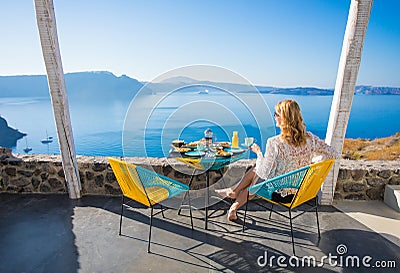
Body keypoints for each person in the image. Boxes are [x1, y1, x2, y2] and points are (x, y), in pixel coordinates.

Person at [216, 99, 339, 221]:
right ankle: (234, 201)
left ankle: (234, 197)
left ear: (285, 119)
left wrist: (258, 153)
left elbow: (264, 173)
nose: (274, 117)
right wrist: (313, 164)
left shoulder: (275, 143)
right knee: (256, 173)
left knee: (256, 176)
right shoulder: (311, 139)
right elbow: (333, 153)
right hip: (302, 191)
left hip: (280, 193)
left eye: (276, 114)